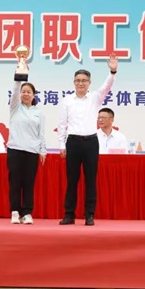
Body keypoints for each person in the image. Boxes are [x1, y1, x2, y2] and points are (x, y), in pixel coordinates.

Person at [58, 55, 118, 226]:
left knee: (91, 180)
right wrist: (62, 144)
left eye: (84, 80)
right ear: (74, 83)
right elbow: (62, 124)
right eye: (78, 80)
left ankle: (89, 215)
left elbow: (107, 86)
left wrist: (112, 71)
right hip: (73, 142)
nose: (81, 83)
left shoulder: (95, 98)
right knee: (72, 180)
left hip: (91, 142)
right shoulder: (67, 101)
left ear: (89, 83)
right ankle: (69, 214)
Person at [7, 81, 46, 225]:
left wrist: (43, 151)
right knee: (15, 182)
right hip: (15, 150)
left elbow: (41, 133)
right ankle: (15, 212)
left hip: (32, 151)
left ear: (34, 95)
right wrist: (19, 78)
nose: (26, 94)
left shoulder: (39, 113)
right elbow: (15, 91)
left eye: (29, 92)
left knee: (29, 183)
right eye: (23, 91)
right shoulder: (15, 108)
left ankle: (27, 213)